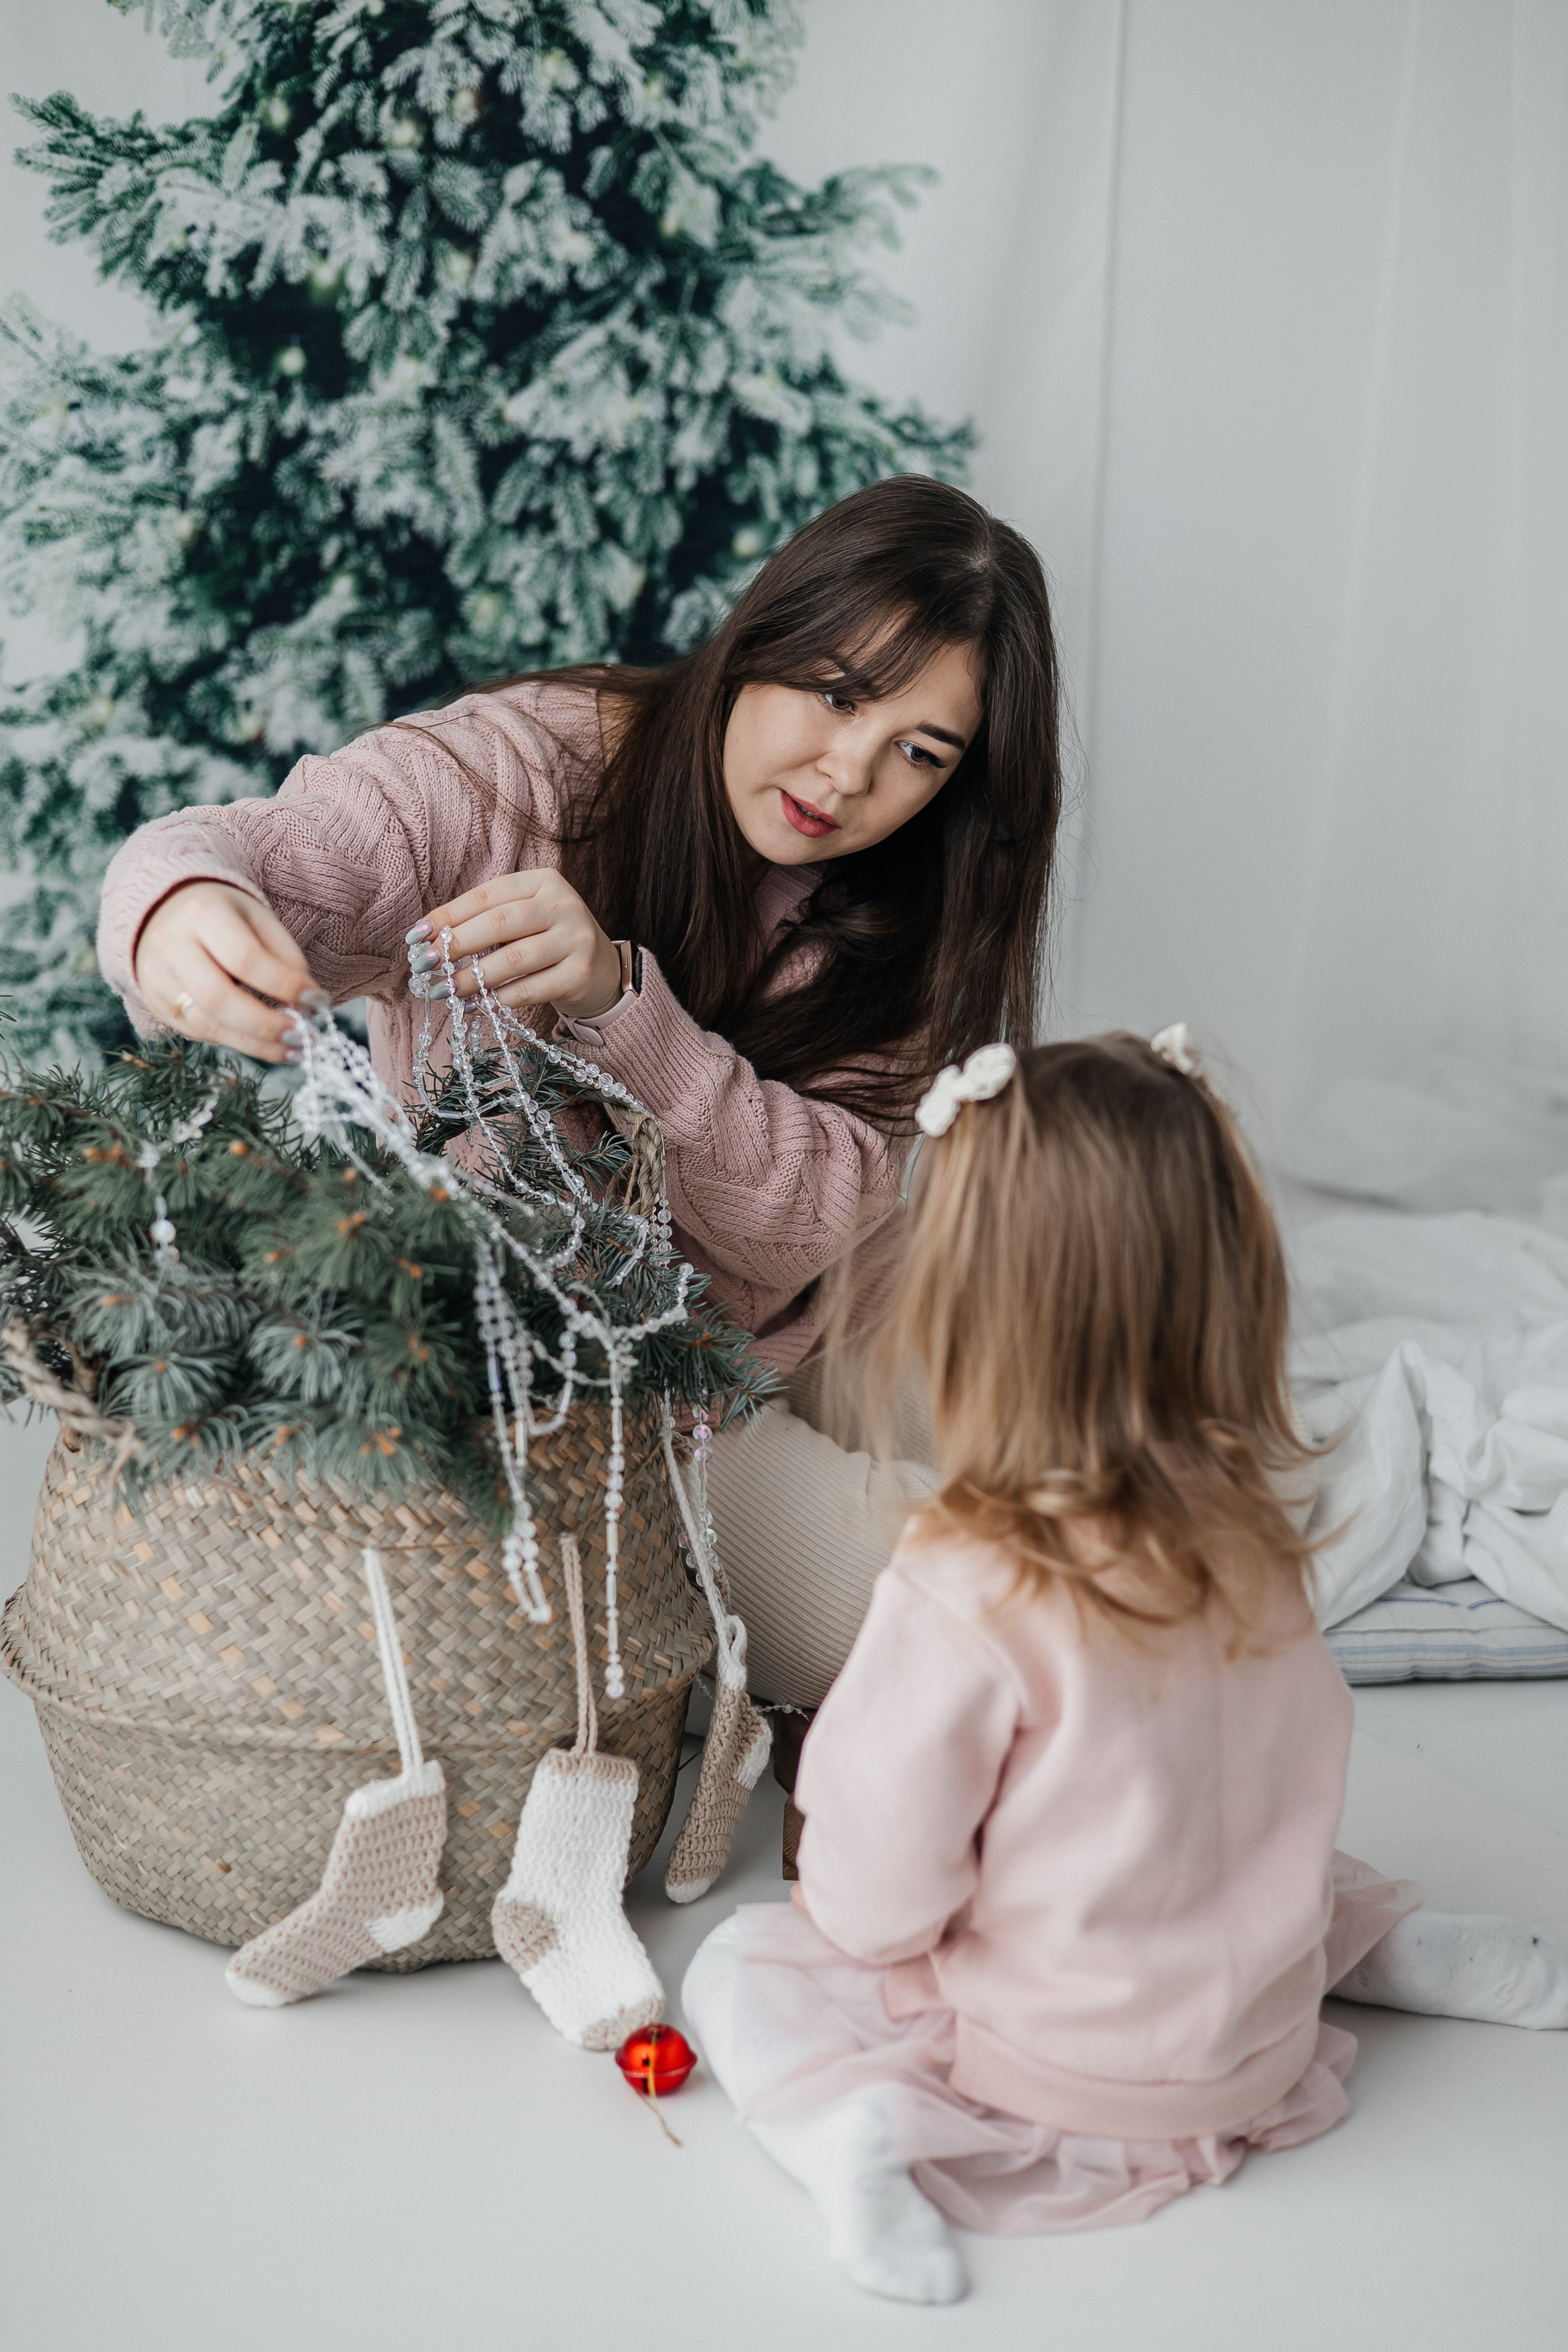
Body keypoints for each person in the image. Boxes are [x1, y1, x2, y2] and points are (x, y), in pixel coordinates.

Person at [97, 477, 1058, 1709]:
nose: (848, 774)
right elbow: (267, 852)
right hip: (612, 1388)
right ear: (762, 634)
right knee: (964, 1629)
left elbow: (808, 1225)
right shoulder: (523, 774)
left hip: (826, 1302)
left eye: (919, 753)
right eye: (836, 693)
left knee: (1099, 1486)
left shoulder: (919, 894)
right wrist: (180, 908)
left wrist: (620, 1002)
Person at [680, 1033, 1568, 2306]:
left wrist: (870, 1903)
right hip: (1253, 2033)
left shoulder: (959, 1578)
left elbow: (878, 1900)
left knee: (739, 1966)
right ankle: (1393, 1949)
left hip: (1059, 2065)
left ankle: (849, 2135)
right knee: (1240, 1852)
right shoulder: (1252, 1533)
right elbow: (1283, 1776)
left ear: (962, 1321)